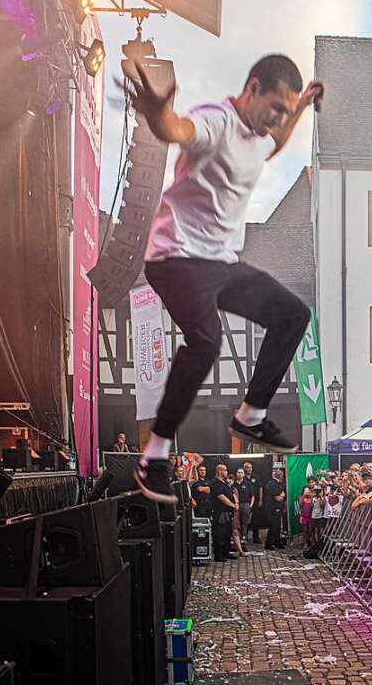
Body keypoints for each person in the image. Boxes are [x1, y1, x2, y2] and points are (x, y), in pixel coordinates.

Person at [126, 54, 324, 503]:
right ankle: (153, 456)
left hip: (219, 263)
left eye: (285, 112)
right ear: (251, 88)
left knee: (293, 314)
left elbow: (273, 145)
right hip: (175, 257)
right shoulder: (215, 121)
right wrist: (158, 115)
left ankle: (251, 415)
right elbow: (179, 130)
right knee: (207, 341)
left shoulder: (260, 138)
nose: (278, 119)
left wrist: (301, 110)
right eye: (275, 107)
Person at [210, 463, 238, 561]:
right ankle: (218, 554)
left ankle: (226, 552)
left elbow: (231, 494)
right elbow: (221, 497)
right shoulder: (215, 483)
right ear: (219, 471)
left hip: (227, 513)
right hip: (220, 512)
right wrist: (233, 505)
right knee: (219, 533)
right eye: (225, 470)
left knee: (227, 533)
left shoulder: (224, 483)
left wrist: (235, 503)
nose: (227, 472)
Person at [264, 467, 287, 549]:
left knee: (277, 527)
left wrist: (282, 496)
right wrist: (281, 496)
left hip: (277, 508)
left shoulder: (279, 484)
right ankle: (268, 544)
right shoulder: (272, 484)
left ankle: (277, 542)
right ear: (279, 475)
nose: (283, 476)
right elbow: (278, 498)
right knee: (273, 526)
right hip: (272, 509)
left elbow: (282, 495)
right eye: (282, 475)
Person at [244, 461, 265, 543]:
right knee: (245, 520)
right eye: (248, 468)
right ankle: (244, 537)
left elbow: (260, 488)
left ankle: (256, 537)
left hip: (256, 501)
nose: (250, 469)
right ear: (244, 468)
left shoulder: (256, 477)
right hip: (245, 501)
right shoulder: (242, 477)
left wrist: (260, 500)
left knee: (256, 519)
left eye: (251, 468)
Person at [234, 467, 254, 545]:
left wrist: (250, 506)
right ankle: (237, 537)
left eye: (241, 472)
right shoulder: (233, 484)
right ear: (236, 474)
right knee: (236, 522)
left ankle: (244, 536)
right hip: (236, 505)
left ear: (244, 474)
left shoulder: (248, 483)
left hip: (245, 505)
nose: (240, 474)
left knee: (245, 522)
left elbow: (252, 495)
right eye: (238, 472)